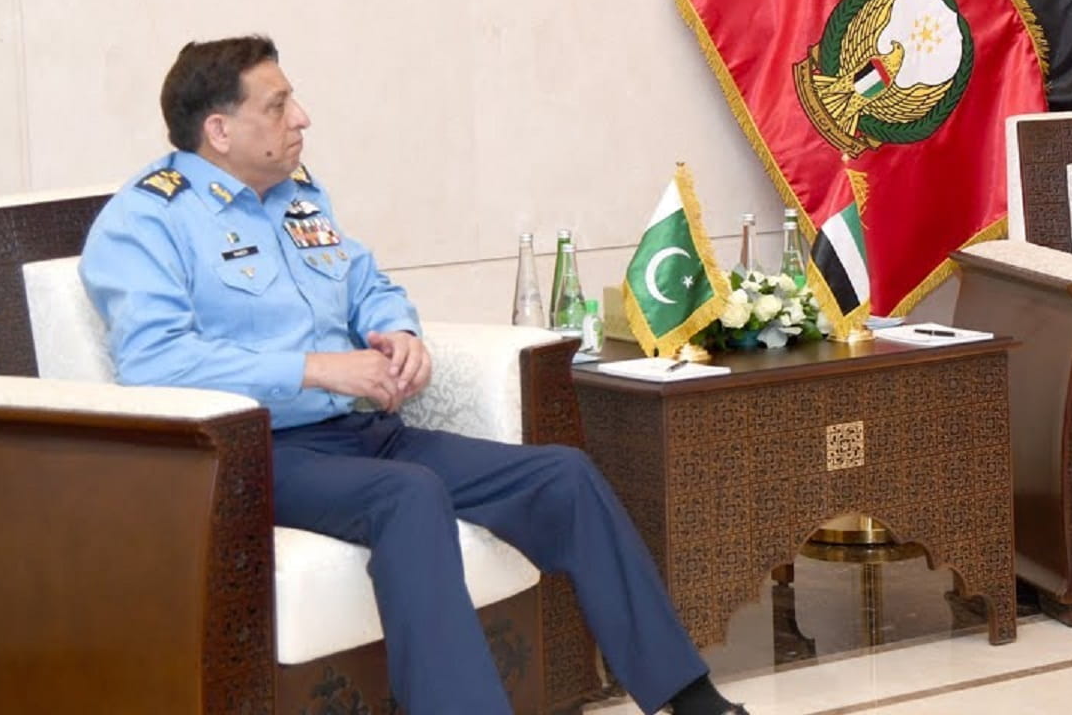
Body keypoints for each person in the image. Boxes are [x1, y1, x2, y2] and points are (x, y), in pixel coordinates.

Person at [80, 36, 748, 715]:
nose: (302, 117)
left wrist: (397, 332)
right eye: (278, 106)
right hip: (257, 457)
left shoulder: (297, 196)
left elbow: (368, 284)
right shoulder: (146, 220)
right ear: (219, 131)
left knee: (563, 476)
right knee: (407, 495)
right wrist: (318, 370)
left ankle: (690, 698)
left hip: (366, 435)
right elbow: (155, 362)